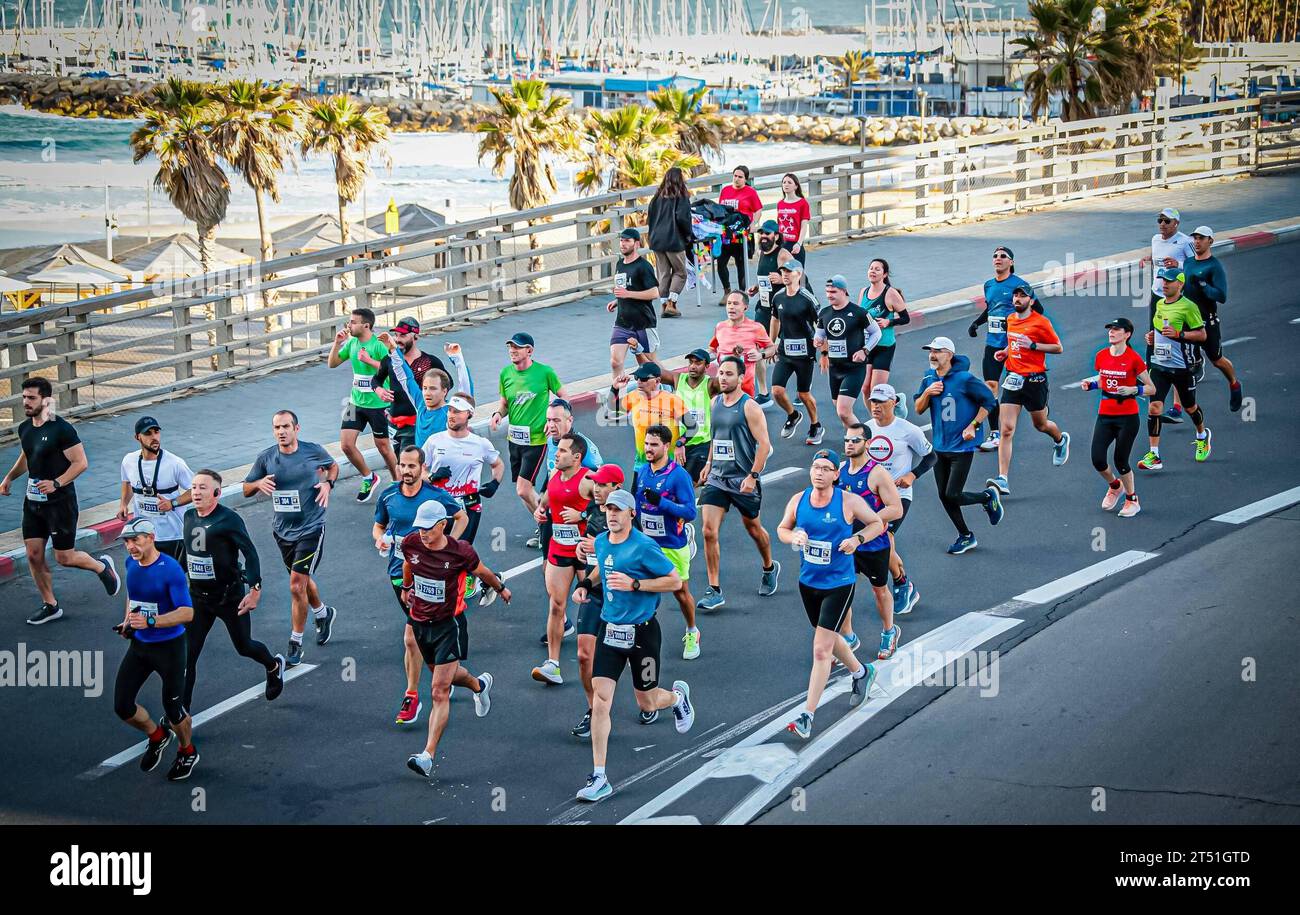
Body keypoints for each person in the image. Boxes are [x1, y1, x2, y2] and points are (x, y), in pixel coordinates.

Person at [571, 488, 695, 802]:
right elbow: (603, 566)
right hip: (610, 630)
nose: (612, 514)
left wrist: (636, 584)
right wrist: (586, 584)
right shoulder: (600, 541)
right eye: (609, 509)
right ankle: (599, 776)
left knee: (648, 702)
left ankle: (677, 698)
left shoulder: (644, 547)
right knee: (601, 700)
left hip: (643, 633)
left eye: (619, 510)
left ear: (631, 514)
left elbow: (674, 580)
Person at [776, 450, 883, 739]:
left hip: (839, 582)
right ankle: (862, 673)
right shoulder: (799, 500)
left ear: (836, 474)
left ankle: (807, 715)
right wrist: (793, 537)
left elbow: (877, 523)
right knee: (829, 636)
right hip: (808, 581)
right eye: (815, 467)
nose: (819, 472)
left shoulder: (848, 501)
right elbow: (782, 529)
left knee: (821, 648)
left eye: (826, 468)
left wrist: (857, 539)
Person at [401, 501, 510, 778]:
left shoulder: (460, 552)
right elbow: (408, 564)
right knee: (444, 675)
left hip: (449, 625)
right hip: (420, 622)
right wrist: (407, 588)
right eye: (420, 528)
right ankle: (479, 685)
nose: (423, 533)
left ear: (442, 525)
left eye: (428, 528)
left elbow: (482, 571)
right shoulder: (412, 544)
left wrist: (501, 588)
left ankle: (427, 755)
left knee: (439, 689)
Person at [1, 376, 120, 625]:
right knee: (34, 554)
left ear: (45, 400)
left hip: (60, 504)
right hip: (33, 503)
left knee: (63, 557)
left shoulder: (61, 429)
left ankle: (101, 567)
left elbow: (81, 463)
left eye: (31, 398)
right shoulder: (25, 428)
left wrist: (56, 483)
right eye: (24, 397)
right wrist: (10, 477)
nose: (26, 402)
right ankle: (50, 604)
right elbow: (28, 455)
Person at [374, 446, 468, 725]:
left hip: (431, 577)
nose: (406, 471)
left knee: (411, 637)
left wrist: (446, 547)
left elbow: (460, 518)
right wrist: (379, 538)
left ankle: (412, 695)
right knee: (422, 643)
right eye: (402, 465)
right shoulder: (389, 495)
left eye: (412, 466)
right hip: (399, 573)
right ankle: (460, 680)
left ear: (423, 468)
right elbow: (378, 525)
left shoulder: (436, 497)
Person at [180, 469, 284, 712]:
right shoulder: (188, 517)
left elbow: (250, 553)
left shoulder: (229, 519)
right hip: (198, 598)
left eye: (202, 488)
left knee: (244, 646)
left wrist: (255, 588)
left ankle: (273, 666)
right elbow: (186, 555)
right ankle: (181, 713)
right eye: (194, 487)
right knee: (187, 657)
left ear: (216, 492)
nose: (196, 492)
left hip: (229, 597)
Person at [242, 409, 339, 666]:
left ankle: (295, 642)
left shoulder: (312, 451)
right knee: (301, 581)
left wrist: (329, 483)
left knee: (296, 584)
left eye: (286, 426)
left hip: (311, 527)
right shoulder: (266, 458)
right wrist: (258, 484)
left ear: (297, 428)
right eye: (277, 428)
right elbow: (245, 489)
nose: (281, 432)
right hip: (282, 531)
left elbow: (332, 466)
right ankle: (323, 613)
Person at [112, 518, 198, 781]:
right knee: (122, 706)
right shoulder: (130, 563)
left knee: (173, 710)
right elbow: (133, 595)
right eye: (126, 541)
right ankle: (157, 736)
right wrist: (128, 621)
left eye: (135, 539)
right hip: (140, 645)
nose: (130, 546)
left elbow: (187, 613)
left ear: (151, 537)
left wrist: (151, 621)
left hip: (170, 648)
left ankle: (187, 750)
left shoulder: (170, 569)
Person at [696, 356, 780, 609]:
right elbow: (715, 437)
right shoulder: (714, 402)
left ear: (741, 377)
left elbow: (764, 445)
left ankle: (769, 566)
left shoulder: (749, 406)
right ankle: (714, 589)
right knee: (708, 531)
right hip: (717, 479)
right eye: (720, 372)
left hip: (743, 479)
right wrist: (709, 464)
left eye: (729, 374)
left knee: (753, 529)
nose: (722, 377)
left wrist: (753, 477)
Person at [913, 337, 1002, 555]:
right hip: (939, 447)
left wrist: (974, 425)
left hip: (961, 447)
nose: (933, 355)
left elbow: (989, 401)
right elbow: (918, 409)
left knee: (952, 493)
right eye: (930, 351)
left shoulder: (964, 379)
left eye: (938, 351)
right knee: (944, 495)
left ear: (950, 355)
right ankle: (965, 535)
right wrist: (927, 392)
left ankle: (987, 497)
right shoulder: (928, 378)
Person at [986, 285, 1070, 495]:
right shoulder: (1011, 319)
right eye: (1016, 295)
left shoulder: (1041, 322)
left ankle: (1060, 440)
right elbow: (1014, 341)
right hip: (1013, 378)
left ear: (1031, 301)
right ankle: (1002, 478)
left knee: (1041, 425)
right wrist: (1005, 352)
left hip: (1035, 380)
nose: (1018, 298)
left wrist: (1033, 346)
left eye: (1023, 296)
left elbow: (1057, 347)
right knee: (1006, 429)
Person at [422, 393, 506, 594]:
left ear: (469, 414)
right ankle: (489, 579)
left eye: (457, 411)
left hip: (469, 505)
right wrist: (432, 477)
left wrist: (494, 483)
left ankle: (466, 582)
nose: (451, 415)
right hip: (440, 504)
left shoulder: (480, 443)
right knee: (440, 547)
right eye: (450, 410)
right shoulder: (435, 441)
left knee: (458, 547)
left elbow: (498, 464)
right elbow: (419, 470)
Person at [531, 434, 596, 687]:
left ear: (577, 457)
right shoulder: (555, 477)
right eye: (557, 450)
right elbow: (545, 501)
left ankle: (606, 650)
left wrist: (581, 513)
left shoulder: (589, 479)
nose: (556, 454)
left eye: (562, 451)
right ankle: (553, 665)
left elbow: (611, 504)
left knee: (594, 602)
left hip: (586, 550)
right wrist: (540, 511)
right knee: (556, 605)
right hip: (559, 548)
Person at [838, 424, 905, 660]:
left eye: (855, 440)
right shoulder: (841, 469)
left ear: (867, 443)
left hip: (873, 543)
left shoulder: (877, 473)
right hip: (847, 543)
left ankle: (889, 631)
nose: (849, 444)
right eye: (847, 440)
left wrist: (868, 519)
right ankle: (848, 635)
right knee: (842, 589)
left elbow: (896, 509)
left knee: (879, 591)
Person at [865, 385, 935, 612]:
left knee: (885, 537)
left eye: (880, 402)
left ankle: (902, 583)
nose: (875, 406)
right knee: (880, 542)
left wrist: (912, 475)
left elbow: (931, 456)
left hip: (898, 494)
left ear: (893, 403)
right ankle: (901, 580)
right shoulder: (865, 430)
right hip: (870, 495)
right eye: (873, 401)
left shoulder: (908, 430)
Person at [634, 425, 700, 660]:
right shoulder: (642, 472)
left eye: (653, 445)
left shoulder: (678, 476)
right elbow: (635, 505)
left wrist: (662, 503)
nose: (648, 448)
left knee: (681, 592)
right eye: (646, 443)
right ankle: (641, 643)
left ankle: (692, 630)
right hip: (647, 544)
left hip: (672, 544)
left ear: (666, 446)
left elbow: (690, 512)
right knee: (642, 593)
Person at [1137, 267, 1212, 470]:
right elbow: (1158, 329)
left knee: (1190, 408)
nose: (1165, 284)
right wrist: (1150, 338)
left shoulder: (1189, 307)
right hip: (1159, 365)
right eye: (1163, 280)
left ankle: (1202, 435)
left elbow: (1202, 335)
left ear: (1180, 284)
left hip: (1182, 367)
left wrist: (1180, 335)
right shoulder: (1160, 304)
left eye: (1169, 281)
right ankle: (1154, 456)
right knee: (1154, 408)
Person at [570, 463, 625, 739]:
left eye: (602, 485)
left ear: (616, 487)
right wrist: (582, 552)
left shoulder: (625, 517)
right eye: (595, 484)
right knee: (583, 655)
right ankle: (594, 710)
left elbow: (621, 559)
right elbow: (590, 558)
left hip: (622, 595)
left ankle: (650, 695)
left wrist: (601, 549)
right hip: (594, 591)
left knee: (629, 660)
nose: (596, 489)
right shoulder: (592, 511)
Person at [1079, 318, 1154, 518]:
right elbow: (1104, 380)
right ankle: (1115, 486)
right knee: (1097, 459)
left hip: (1127, 418)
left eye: (1116, 329)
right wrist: (1092, 384)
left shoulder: (1134, 359)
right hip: (1105, 415)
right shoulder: (1101, 356)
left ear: (1127, 334)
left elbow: (1151, 388)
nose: (1111, 332)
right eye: (1110, 329)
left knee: (1121, 460)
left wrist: (1133, 389)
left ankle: (1132, 499)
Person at [326, 307, 398, 502]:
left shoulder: (378, 345)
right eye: (349, 322)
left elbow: (393, 371)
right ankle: (369, 477)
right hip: (355, 402)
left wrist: (370, 360)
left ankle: (397, 482)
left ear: (366, 325)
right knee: (346, 445)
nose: (349, 325)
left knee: (383, 447)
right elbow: (332, 364)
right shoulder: (352, 343)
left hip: (378, 404)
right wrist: (336, 343)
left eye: (353, 322)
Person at [490, 332, 565, 518]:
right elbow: (505, 404)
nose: (512, 350)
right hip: (514, 440)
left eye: (517, 347)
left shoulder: (545, 372)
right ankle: (543, 527)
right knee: (523, 490)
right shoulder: (505, 373)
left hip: (536, 440)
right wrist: (498, 414)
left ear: (529, 350)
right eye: (510, 347)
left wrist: (552, 420)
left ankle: (551, 523)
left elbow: (564, 397)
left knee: (523, 490)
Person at [968, 246, 1031, 453]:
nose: (998, 259)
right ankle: (995, 432)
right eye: (995, 256)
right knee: (991, 386)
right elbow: (991, 308)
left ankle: (1039, 410)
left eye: (1003, 256)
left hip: (1014, 346)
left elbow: (1036, 311)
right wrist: (977, 323)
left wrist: (1019, 328)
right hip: (992, 344)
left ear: (1011, 262)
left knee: (1018, 388)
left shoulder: (1020, 285)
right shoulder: (989, 285)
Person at [1182, 225, 1243, 412]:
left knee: (1217, 360)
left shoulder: (1214, 266)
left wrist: (1203, 286)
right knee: (1184, 359)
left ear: (1210, 241)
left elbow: (1221, 296)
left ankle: (1234, 384)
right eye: (1195, 238)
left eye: (1201, 238)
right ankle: (1185, 402)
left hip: (1207, 320)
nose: (1197, 241)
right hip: (1188, 319)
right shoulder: (1188, 263)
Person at [370, 316, 451, 454]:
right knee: (399, 464)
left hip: (415, 422)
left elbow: (447, 385)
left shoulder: (430, 361)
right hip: (394, 423)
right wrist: (378, 390)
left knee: (407, 464)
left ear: (415, 337)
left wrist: (432, 413)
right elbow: (375, 379)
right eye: (396, 335)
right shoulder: (389, 360)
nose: (397, 339)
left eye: (403, 335)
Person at [117, 416, 194, 561]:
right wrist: (123, 504)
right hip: (143, 535)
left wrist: (172, 503)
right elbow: (127, 482)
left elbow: (195, 490)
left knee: (172, 578)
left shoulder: (175, 463)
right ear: (137, 437)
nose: (154, 437)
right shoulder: (129, 460)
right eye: (148, 433)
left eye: (156, 432)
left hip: (172, 535)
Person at [380, 334, 473, 451]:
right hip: (423, 468)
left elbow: (466, 391)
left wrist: (457, 358)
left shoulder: (451, 411)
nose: (427, 393)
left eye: (433, 388)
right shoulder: (421, 405)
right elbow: (406, 378)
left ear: (444, 391)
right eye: (425, 388)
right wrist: (393, 350)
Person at [769, 252, 824, 446]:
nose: (785, 275)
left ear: (798, 274)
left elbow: (821, 322)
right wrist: (771, 344)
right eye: (782, 271)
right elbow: (775, 319)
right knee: (776, 390)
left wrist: (823, 350)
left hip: (805, 354)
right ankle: (793, 415)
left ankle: (816, 425)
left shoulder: (807, 297)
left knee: (803, 394)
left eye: (789, 271)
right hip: (785, 351)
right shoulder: (778, 297)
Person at [1147, 208, 1196, 421]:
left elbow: (1196, 266)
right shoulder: (1155, 239)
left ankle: (1177, 404)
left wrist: (1179, 265)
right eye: (1160, 220)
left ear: (1176, 223)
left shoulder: (1185, 242)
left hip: (1178, 298)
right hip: (1157, 294)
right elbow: (1157, 257)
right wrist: (1147, 258)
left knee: (1175, 342)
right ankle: (1152, 380)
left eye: (1166, 221)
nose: (1162, 224)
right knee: (1155, 337)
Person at [606, 226, 660, 417]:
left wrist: (628, 294)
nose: (623, 244)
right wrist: (618, 300)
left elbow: (654, 293)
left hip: (643, 323)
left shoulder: (644, 266)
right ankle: (619, 401)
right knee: (615, 361)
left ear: (637, 244)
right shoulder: (620, 264)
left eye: (627, 241)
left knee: (650, 365)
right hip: (622, 322)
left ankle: (661, 397)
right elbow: (623, 290)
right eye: (621, 240)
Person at [818, 274, 880, 430]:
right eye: (827, 291)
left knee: (844, 411)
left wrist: (865, 350)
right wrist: (818, 340)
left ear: (844, 291)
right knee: (842, 412)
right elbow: (820, 333)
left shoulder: (858, 312)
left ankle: (866, 440)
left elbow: (876, 333)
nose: (828, 295)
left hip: (854, 368)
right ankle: (853, 441)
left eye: (833, 292)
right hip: (835, 369)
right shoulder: (824, 313)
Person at [617, 362, 691, 471]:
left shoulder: (672, 400)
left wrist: (680, 445)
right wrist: (615, 388)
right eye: (637, 378)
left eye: (644, 379)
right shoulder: (633, 397)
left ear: (657, 381)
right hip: (642, 464)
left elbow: (693, 427)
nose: (639, 382)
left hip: (667, 464)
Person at [858, 258, 910, 413]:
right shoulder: (863, 292)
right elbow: (860, 316)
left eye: (877, 269)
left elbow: (906, 318)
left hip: (884, 346)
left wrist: (889, 322)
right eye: (871, 268)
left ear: (885, 274)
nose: (873, 271)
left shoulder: (890, 293)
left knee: (876, 390)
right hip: (868, 346)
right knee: (865, 388)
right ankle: (875, 420)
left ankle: (898, 401)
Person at [661, 349, 720, 484]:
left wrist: (735, 358)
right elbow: (651, 370)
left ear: (707, 367)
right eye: (691, 362)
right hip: (678, 444)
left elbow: (730, 381)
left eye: (698, 363)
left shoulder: (710, 384)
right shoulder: (678, 379)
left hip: (701, 443)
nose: (693, 366)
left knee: (691, 484)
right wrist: (638, 350)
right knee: (676, 487)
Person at [746, 219, 785, 405]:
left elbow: (801, 279)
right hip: (763, 307)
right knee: (756, 349)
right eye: (761, 233)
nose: (763, 236)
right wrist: (756, 288)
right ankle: (763, 393)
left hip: (782, 310)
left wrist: (783, 278)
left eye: (767, 233)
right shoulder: (761, 252)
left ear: (776, 236)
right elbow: (764, 279)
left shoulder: (782, 254)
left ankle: (802, 388)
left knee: (787, 351)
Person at [646, 166, 693, 318]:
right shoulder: (681, 197)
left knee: (663, 273)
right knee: (680, 272)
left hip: (656, 240)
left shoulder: (656, 198)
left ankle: (664, 304)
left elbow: (650, 219)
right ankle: (672, 304)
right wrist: (688, 235)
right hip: (674, 240)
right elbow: (683, 219)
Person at [709, 290, 775, 399]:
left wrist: (760, 355)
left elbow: (771, 348)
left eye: (735, 304)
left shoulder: (756, 328)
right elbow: (712, 348)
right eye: (729, 303)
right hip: (722, 386)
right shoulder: (720, 327)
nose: (731, 307)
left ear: (745, 307)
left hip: (745, 389)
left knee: (744, 415)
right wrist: (713, 359)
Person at [717, 164, 763, 304]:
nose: (737, 179)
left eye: (740, 177)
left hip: (742, 234)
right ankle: (727, 291)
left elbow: (758, 210)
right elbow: (721, 210)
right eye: (735, 176)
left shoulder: (750, 192)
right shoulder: (725, 190)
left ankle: (742, 293)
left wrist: (752, 224)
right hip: (726, 233)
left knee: (740, 263)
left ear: (745, 179)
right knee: (721, 262)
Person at [776, 172, 811, 265]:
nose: (786, 184)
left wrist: (799, 243)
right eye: (784, 182)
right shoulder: (780, 204)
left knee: (797, 275)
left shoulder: (803, 203)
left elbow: (804, 226)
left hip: (795, 244)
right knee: (782, 275)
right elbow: (778, 224)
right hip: (782, 243)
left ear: (796, 186)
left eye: (789, 182)